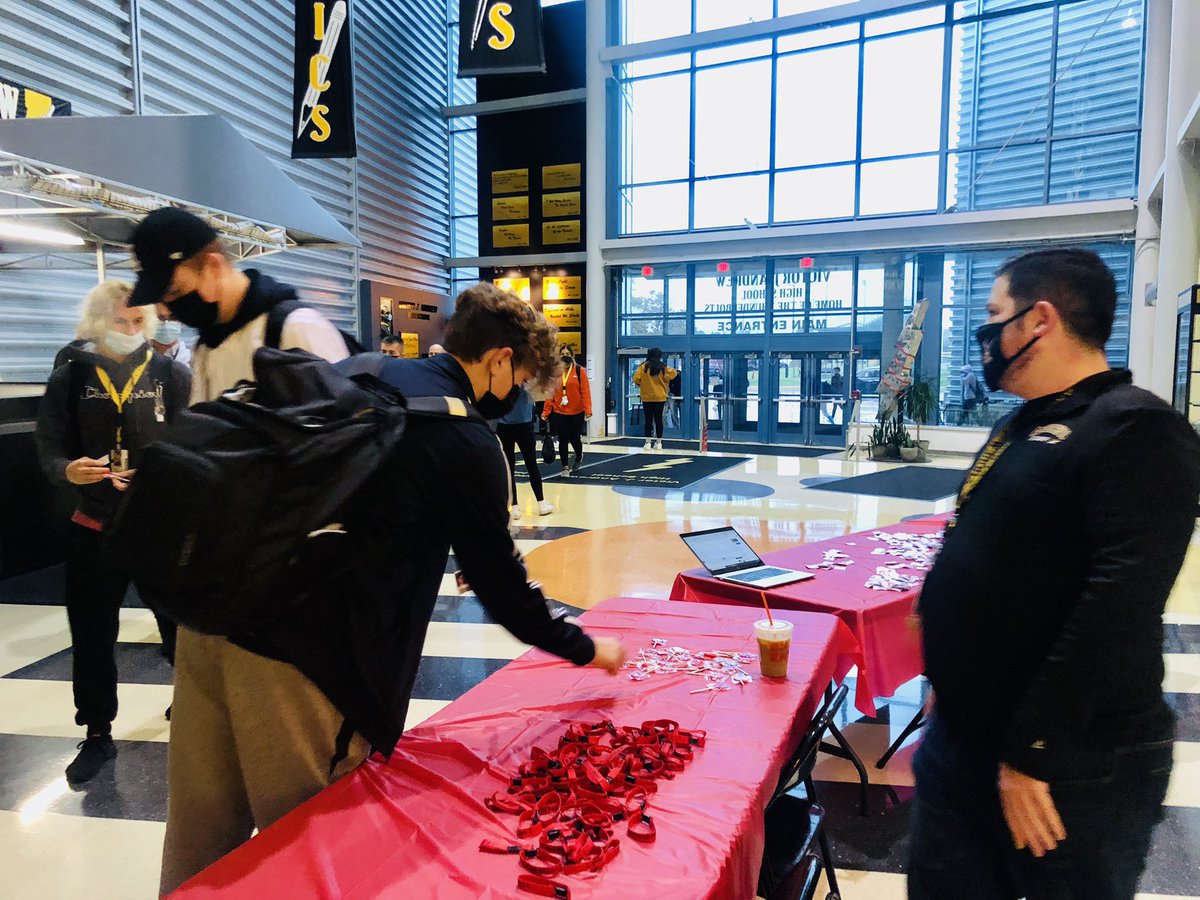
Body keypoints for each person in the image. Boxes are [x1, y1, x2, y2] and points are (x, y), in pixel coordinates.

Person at [909, 248, 1200, 900]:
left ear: (1038, 320)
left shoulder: (1136, 430)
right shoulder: (1026, 423)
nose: (986, 333)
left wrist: (1032, 750)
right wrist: (950, 680)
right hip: (967, 737)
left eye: (994, 315)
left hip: (1065, 764)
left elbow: (1118, 606)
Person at [34, 280, 191, 785]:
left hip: (158, 526)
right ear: (98, 322)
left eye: (137, 322)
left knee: (181, 628)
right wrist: (67, 470)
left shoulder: (171, 373)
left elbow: (195, 444)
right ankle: (98, 731)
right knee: (93, 634)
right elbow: (50, 445)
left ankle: (192, 707)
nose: (130, 331)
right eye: (120, 322)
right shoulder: (70, 376)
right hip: (94, 524)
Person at [495, 382, 553, 519]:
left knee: (510, 467)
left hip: (505, 425)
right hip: (523, 425)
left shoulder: (503, 375)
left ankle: (515, 506)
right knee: (531, 464)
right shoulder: (526, 376)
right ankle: (540, 503)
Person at [542, 346, 591, 476]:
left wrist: (588, 409)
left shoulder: (580, 371)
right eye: (563, 354)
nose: (565, 356)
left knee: (575, 438)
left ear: (572, 355)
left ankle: (579, 456)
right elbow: (550, 393)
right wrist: (546, 411)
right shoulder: (555, 373)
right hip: (560, 411)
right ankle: (564, 467)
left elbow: (585, 391)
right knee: (563, 438)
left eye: (568, 353)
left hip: (576, 411)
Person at [632, 348, 678, 450]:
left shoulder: (643, 367)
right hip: (660, 397)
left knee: (648, 420)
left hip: (646, 397)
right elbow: (674, 373)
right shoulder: (663, 367)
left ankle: (648, 442)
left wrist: (642, 385)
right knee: (659, 420)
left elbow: (635, 379)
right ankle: (659, 443)